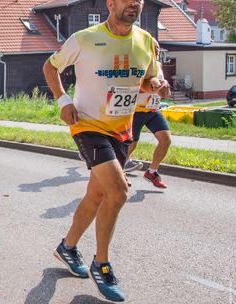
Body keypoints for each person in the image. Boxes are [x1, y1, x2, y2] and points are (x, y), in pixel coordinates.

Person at [42, 0, 169, 301]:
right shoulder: (85, 38)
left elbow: (148, 81)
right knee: (118, 192)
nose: (133, 4)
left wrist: (158, 86)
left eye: (137, 0)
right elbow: (50, 67)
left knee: (97, 195)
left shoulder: (146, 42)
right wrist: (63, 101)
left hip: (121, 129)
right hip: (87, 125)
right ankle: (102, 263)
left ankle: (67, 246)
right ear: (110, 3)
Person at [124, 40, 171, 188]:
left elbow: (165, 93)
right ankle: (119, 172)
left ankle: (152, 172)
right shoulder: (138, 64)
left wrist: (165, 90)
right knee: (130, 146)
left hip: (153, 110)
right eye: (154, 48)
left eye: (158, 49)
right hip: (136, 110)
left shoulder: (157, 66)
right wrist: (150, 88)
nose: (156, 51)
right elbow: (129, 87)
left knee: (166, 140)